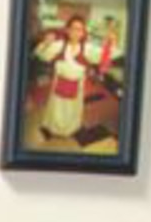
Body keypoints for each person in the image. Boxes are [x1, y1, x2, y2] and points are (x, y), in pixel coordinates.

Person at [33, 14, 113, 142]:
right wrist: (46, 44)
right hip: (59, 84)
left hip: (77, 85)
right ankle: (54, 128)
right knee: (57, 107)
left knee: (72, 108)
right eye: (74, 28)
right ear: (68, 30)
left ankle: (70, 129)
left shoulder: (87, 48)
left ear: (83, 33)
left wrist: (108, 43)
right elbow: (40, 55)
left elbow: (103, 57)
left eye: (80, 29)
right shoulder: (59, 45)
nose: (76, 32)